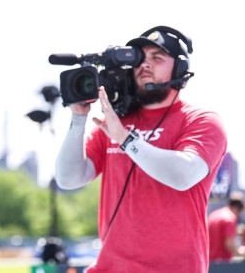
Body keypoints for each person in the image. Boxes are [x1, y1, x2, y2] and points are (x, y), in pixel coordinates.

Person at [55, 26, 227, 273]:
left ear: (179, 69)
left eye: (157, 58)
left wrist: (125, 139)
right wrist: (78, 118)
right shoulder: (116, 122)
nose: (145, 65)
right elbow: (69, 178)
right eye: (140, 59)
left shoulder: (201, 120)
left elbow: (183, 175)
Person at [208, 191, 245, 262]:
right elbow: (229, 244)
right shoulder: (230, 218)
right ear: (237, 207)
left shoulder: (214, 215)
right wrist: (241, 252)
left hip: (210, 262)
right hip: (223, 264)